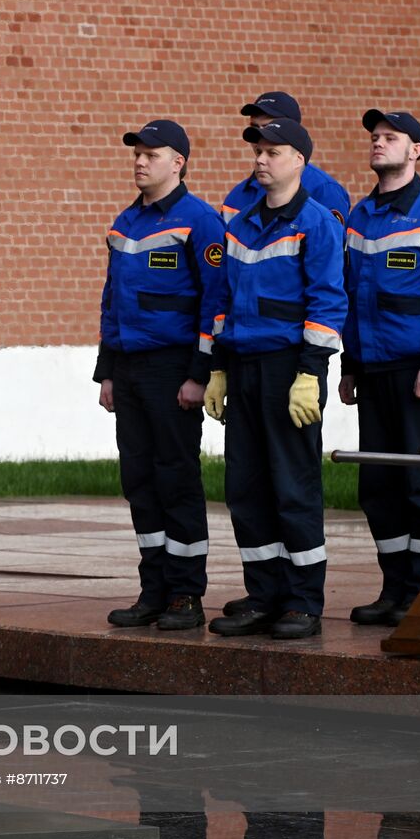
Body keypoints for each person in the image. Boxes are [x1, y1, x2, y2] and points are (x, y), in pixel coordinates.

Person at [203, 119, 346, 639]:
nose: (261, 160)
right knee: (246, 487)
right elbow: (220, 303)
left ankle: (303, 601)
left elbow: (328, 303)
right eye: (258, 151)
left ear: (299, 160)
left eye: (273, 151)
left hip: (290, 370)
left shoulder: (317, 223)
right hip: (242, 368)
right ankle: (263, 594)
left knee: (293, 486)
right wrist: (216, 367)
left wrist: (310, 374)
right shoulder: (239, 226)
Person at [339, 110, 420, 626]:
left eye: (390, 138)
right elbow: (350, 297)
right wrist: (350, 366)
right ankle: (395, 590)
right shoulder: (359, 215)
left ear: (415, 150)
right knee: (379, 485)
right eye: (375, 137)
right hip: (372, 371)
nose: (378, 144)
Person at [95, 120, 225, 631]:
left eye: (152, 154)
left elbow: (215, 303)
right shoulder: (125, 223)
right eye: (137, 154)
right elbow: (112, 302)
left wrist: (200, 373)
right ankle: (154, 589)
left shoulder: (200, 221)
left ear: (180, 163)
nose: (140, 161)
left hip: (172, 370)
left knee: (176, 479)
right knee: (140, 481)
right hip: (128, 370)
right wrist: (106, 372)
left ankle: (186, 595)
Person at [220, 91, 350, 226]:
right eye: (255, 128)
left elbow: (332, 243)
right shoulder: (237, 195)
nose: (260, 136)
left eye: (268, 127)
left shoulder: (324, 189)